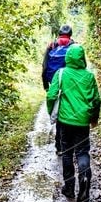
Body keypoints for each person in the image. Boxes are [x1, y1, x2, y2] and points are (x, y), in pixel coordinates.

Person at [46, 44, 101, 202]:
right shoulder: (89, 77)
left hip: (65, 122)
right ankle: (84, 185)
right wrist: (93, 118)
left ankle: (69, 188)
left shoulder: (61, 73)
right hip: (82, 122)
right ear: (82, 57)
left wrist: (52, 113)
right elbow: (96, 101)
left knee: (67, 153)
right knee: (83, 152)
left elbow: (51, 95)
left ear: (68, 57)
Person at [42, 24, 79, 155]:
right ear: (70, 34)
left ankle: (59, 146)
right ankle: (71, 144)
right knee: (71, 111)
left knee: (59, 114)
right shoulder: (74, 46)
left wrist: (46, 85)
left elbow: (45, 66)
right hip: (71, 84)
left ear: (59, 34)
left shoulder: (51, 46)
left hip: (54, 83)